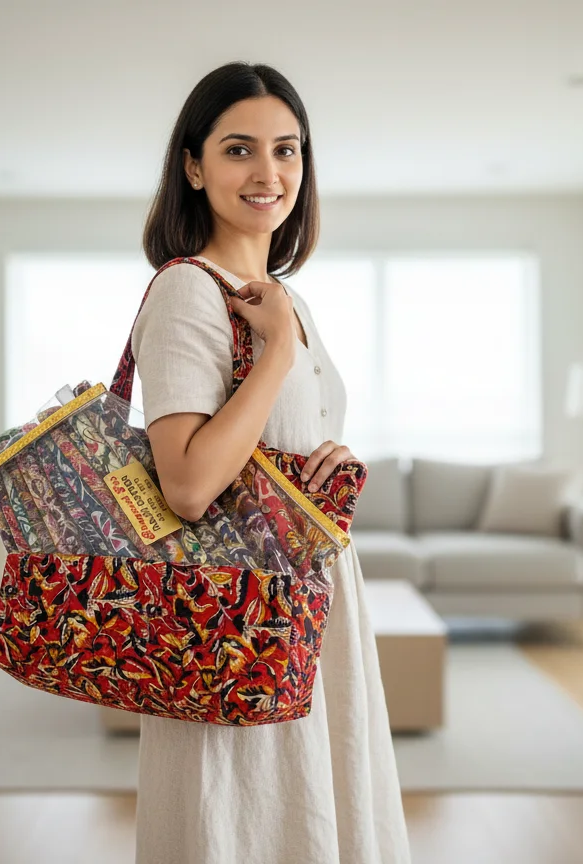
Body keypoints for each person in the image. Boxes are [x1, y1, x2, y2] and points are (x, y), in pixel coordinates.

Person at [129, 61, 411, 864]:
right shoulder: (188, 292)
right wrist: (279, 352)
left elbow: (269, 441)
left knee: (313, 814)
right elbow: (188, 485)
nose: (269, 172)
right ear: (194, 166)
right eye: (239, 149)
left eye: (287, 150)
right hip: (236, 621)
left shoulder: (286, 298)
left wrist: (326, 457)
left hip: (309, 605)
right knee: (246, 821)